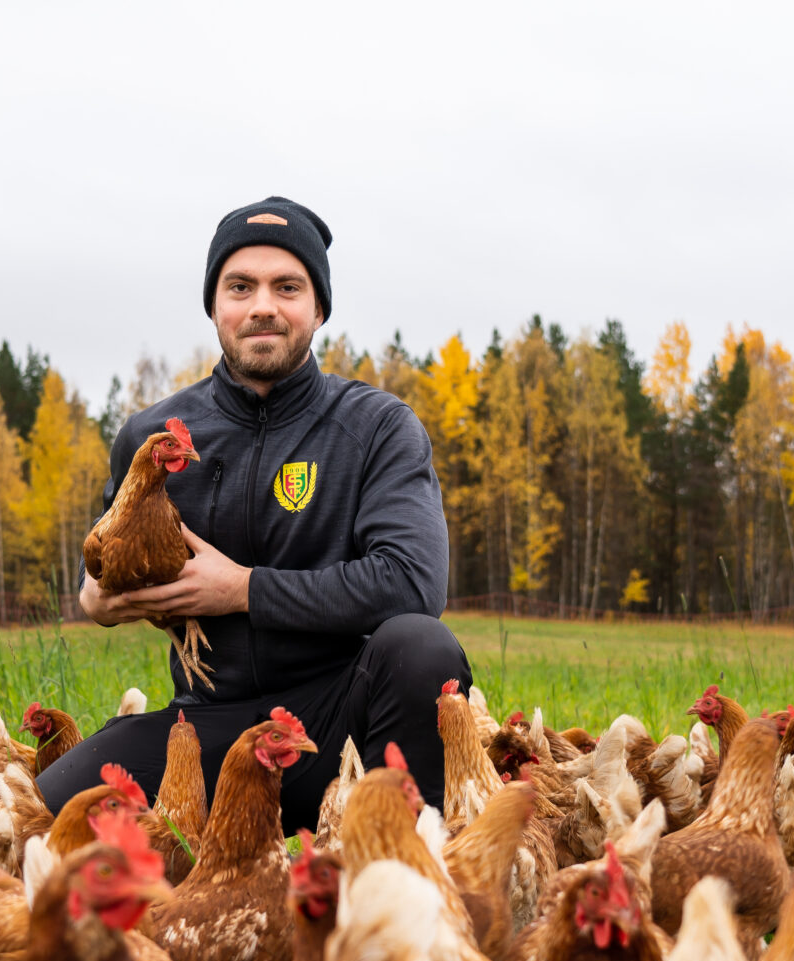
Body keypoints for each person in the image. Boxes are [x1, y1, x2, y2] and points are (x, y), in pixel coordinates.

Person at [35, 195, 472, 833]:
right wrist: (95, 600)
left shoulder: (376, 427)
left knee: (421, 648)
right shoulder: (152, 436)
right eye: (240, 286)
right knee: (39, 820)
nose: (263, 305)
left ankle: (408, 863)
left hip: (339, 721)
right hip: (205, 728)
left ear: (318, 307)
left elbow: (413, 582)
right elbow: (105, 564)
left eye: (287, 286)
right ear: (215, 305)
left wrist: (241, 590)